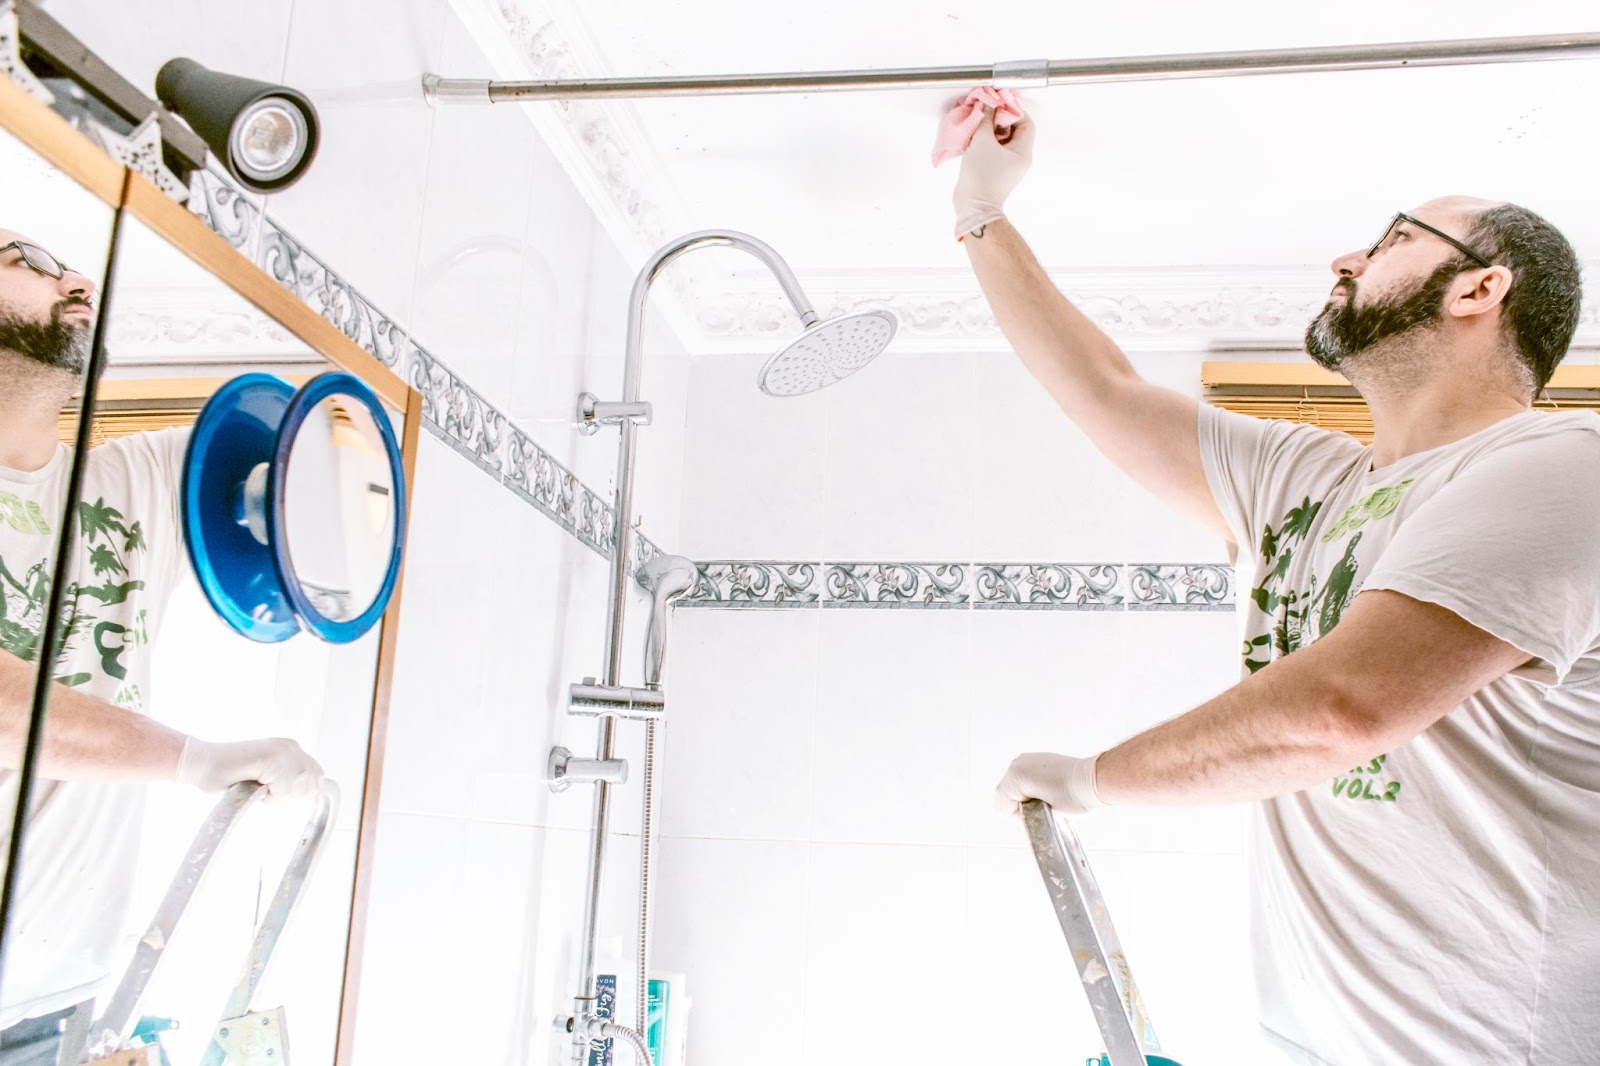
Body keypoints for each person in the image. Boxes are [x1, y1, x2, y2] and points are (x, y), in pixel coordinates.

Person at [960, 115, 1598, 1063]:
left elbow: (1342, 710)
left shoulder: (1560, 469)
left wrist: (1093, 781)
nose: (1346, 258)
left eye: (1392, 241)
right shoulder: (1311, 484)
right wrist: (980, 215)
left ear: (1480, 286)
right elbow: (1107, 392)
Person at [0, 229, 324, 1058]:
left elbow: (317, 447)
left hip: (60, 1012)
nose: (72, 273)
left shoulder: (137, 478)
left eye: (66, 258)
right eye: (23, 261)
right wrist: (198, 760)